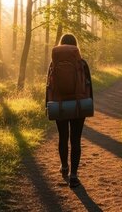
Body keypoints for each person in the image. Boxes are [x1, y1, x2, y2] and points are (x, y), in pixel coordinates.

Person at [45, 33, 93, 188]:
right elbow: (88, 86)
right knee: (76, 139)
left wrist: (47, 104)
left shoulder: (53, 63)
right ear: (75, 46)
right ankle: (74, 176)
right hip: (78, 104)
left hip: (60, 105)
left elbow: (48, 87)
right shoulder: (82, 63)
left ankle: (64, 167)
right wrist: (89, 104)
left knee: (63, 136)